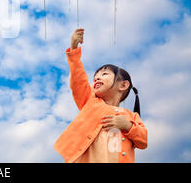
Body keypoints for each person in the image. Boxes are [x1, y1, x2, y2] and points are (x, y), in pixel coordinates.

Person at [53, 28, 148, 163]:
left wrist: (127, 126)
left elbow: (143, 141)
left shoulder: (132, 117)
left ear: (123, 85)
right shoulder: (90, 101)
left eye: (104, 74)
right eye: (95, 77)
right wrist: (74, 49)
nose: (97, 78)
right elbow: (78, 80)